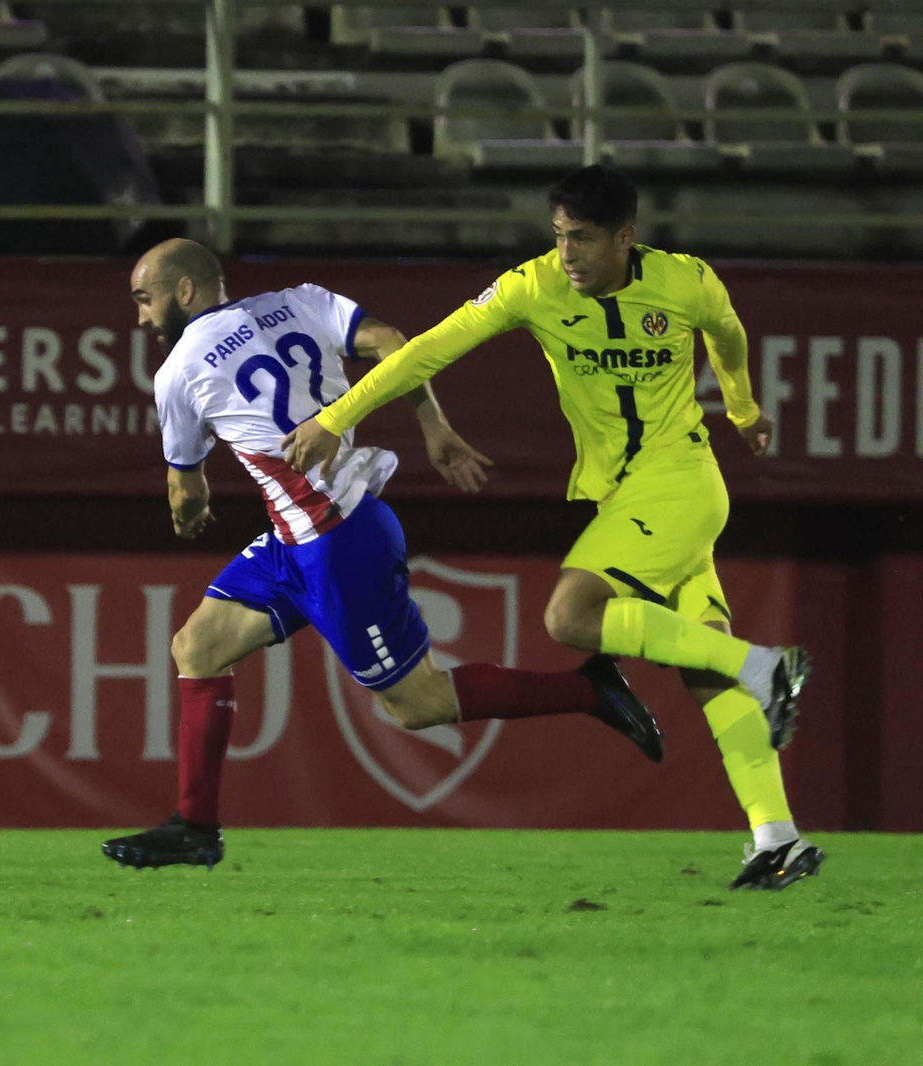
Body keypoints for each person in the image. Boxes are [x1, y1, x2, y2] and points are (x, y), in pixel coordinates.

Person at [282, 166, 821, 891]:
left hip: (679, 484)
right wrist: (335, 417)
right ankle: (776, 836)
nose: (568, 254)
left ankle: (767, 666)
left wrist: (744, 408)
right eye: (561, 236)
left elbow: (728, 333)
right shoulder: (531, 287)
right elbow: (427, 349)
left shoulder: (686, 283)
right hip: (631, 496)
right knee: (703, 663)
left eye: (585, 240)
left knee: (571, 615)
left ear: (626, 238)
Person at [102, 238, 665, 872]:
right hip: (303, 538)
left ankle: (589, 691)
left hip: (336, 540)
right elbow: (394, 340)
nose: (143, 317)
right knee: (197, 648)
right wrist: (432, 425)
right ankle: (195, 826)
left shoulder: (177, 372)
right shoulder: (298, 302)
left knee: (416, 704)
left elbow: (185, 488)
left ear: (183, 292)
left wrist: (189, 514)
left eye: (145, 300)